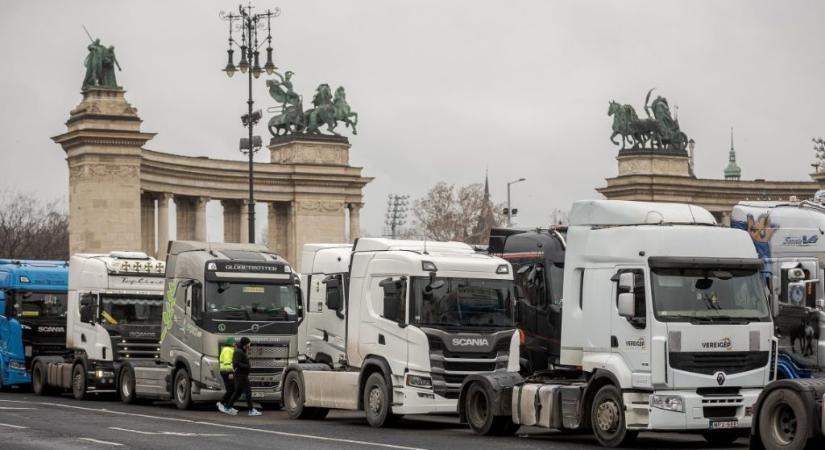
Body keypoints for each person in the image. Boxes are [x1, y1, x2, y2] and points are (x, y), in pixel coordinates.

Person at [225, 337, 261, 416]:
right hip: (241, 375)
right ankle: (251, 410)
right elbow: (236, 363)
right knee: (248, 392)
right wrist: (246, 366)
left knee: (238, 392)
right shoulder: (239, 352)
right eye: (249, 343)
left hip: (241, 375)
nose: (250, 344)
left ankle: (228, 407)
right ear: (245, 344)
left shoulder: (242, 351)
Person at [216, 337, 236, 414]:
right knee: (232, 390)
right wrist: (230, 372)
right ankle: (221, 403)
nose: (235, 344)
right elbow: (227, 362)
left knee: (231, 390)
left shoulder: (227, 349)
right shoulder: (228, 350)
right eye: (234, 342)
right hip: (227, 371)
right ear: (231, 343)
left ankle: (227, 405)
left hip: (225, 371)